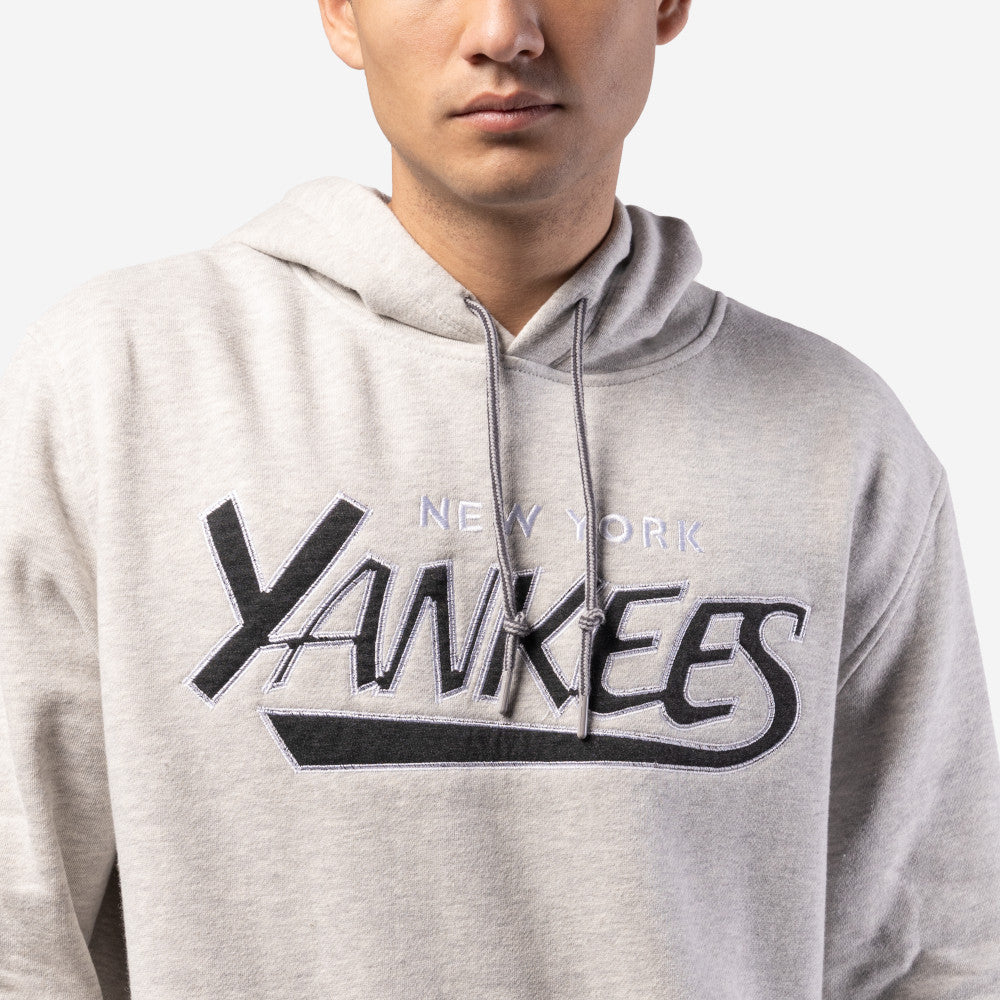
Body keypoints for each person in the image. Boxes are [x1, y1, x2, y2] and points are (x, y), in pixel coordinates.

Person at [2, 0, 998, 996]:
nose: (502, 33)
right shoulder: (120, 384)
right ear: (342, 12)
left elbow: (927, 955)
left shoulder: (836, 440)